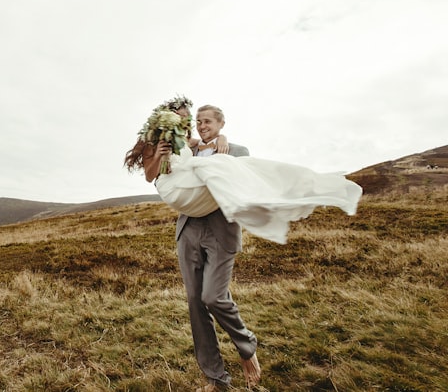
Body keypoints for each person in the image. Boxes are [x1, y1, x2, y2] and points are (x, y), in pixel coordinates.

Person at [124, 98, 362, 391]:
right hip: (189, 230)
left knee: (214, 296)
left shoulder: (236, 150)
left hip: (221, 230)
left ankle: (246, 346)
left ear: (221, 124)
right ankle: (215, 379)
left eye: (206, 122)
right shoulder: (187, 145)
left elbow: (246, 181)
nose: (198, 126)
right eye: (195, 122)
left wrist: (223, 141)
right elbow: (163, 167)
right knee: (195, 304)